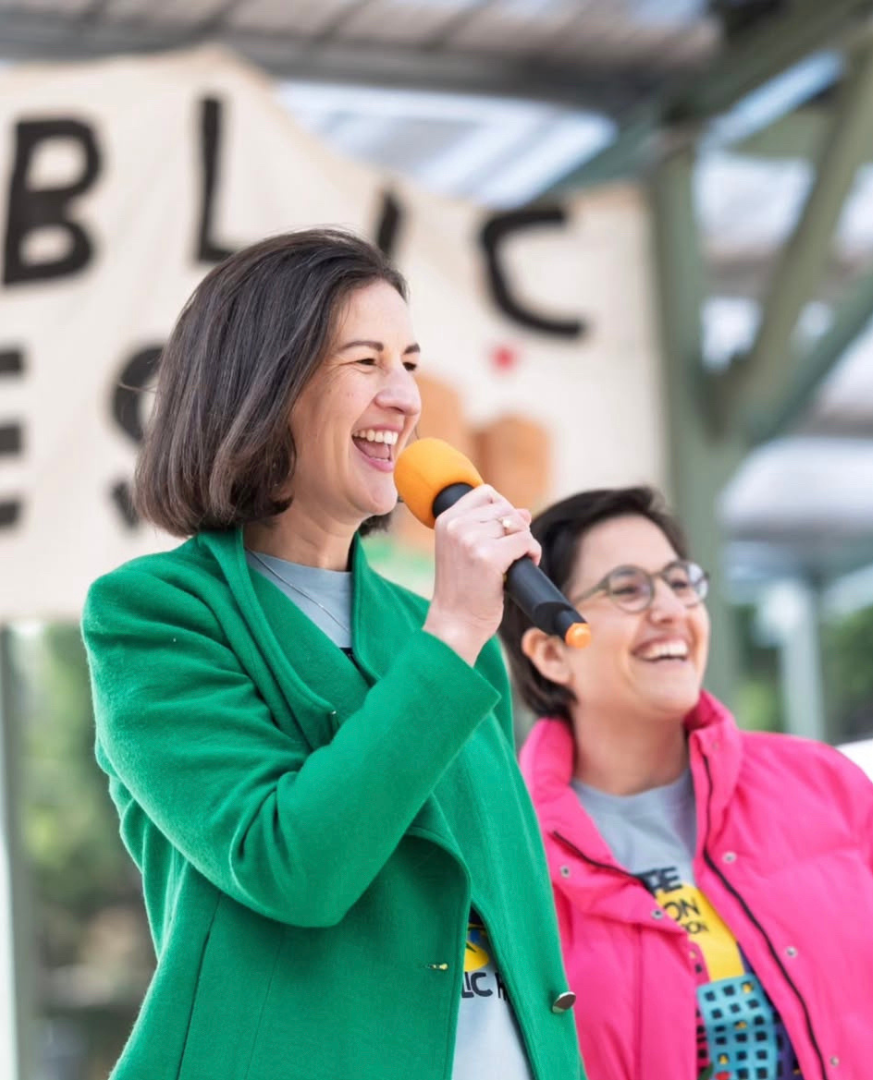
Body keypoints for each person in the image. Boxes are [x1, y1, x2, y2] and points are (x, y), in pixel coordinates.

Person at [81, 228, 582, 1080]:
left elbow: (516, 917)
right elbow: (292, 865)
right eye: (366, 363)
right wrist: (456, 629)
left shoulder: (434, 630)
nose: (406, 399)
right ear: (265, 387)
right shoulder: (154, 613)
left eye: (411, 363)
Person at [498, 485, 873, 1080]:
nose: (671, 609)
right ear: (550, 653)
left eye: (679, 582)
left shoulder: (816, 784)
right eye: (628, 589)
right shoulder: (507, 857)